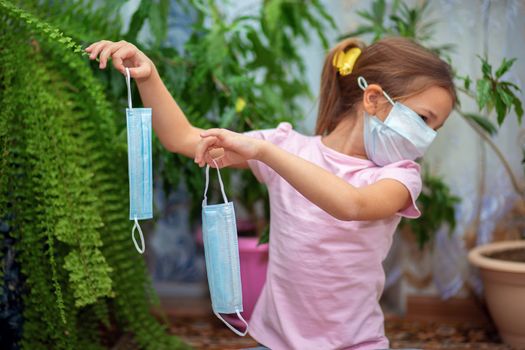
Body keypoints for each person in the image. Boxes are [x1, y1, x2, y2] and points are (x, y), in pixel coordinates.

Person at [86, 36, 455, 349]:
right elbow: (181, 138)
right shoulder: (287, 147)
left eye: (437, 126)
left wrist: (265, 152)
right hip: (275, 340)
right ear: (373, 99)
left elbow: (352, 204)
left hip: (355, 342)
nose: (428, 136)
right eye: (424, 119)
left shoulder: (401, 175)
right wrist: (148, 76)